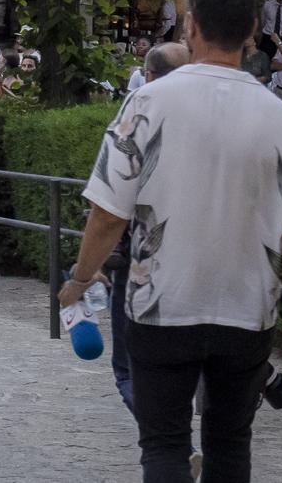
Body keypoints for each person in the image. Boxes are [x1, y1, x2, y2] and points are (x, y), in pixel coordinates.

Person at [62, 0, 282, 483]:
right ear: (253, 29)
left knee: (162, 446)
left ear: (190, 26)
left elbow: (108, 215)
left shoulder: (145, 104)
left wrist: (80, 278)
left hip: (162, 304)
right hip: (247, 310)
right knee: (230, 446)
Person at [105, 40, 190, 413]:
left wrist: (85, 271)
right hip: (200, 253)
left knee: (128, 366)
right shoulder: (218, 110)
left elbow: (111, 198)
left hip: (144, 252)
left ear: (148, 75)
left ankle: (168, 436)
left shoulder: (137, 111)